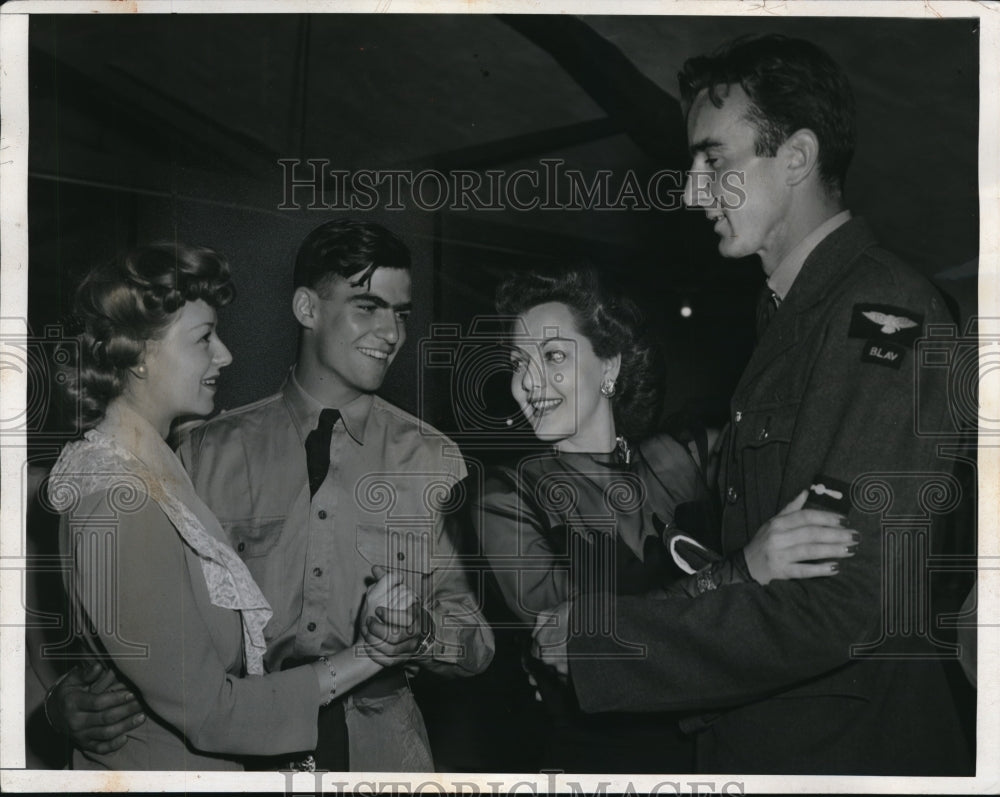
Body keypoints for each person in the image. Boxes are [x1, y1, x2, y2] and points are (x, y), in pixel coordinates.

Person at [533, 35, 973, 775]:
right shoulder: (795, 316)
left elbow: (839, 604)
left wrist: (604, 641)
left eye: (715, 162)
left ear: (796, 157)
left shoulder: (881, 314)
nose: (690, 191)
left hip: (843, 756)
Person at [46, 220, 495, 771]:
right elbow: (111, 627)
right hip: (235, 755)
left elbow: (475, 638)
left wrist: (419, 634)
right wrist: (54, 704)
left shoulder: (434, 460)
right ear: (307, 310)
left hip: (381, 757)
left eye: (401, 314)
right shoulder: (198, 450)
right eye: (367, 306)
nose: (392, 333)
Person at [476, 266, 857, 773]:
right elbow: (579, 646)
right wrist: (741, 571)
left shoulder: (687, 457)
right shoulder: (504, 496)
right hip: (604, 765)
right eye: (518, 362)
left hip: (728, 751)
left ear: (609, 367)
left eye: (552, 356)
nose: (528, 382)